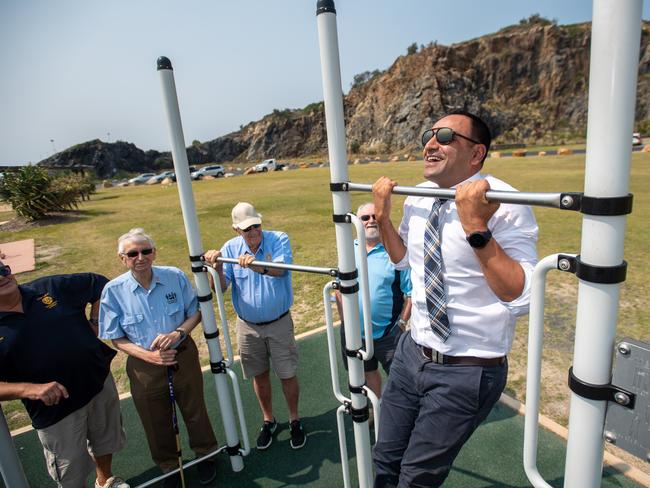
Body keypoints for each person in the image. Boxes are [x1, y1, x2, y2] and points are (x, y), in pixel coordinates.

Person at [371, 110, 538, 487]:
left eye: (445, 136)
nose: (431, 143)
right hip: (411, 352)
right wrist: (382, 217)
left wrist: (476, 227)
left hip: (468, 368)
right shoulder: (418, 196)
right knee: (384, 459)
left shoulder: (504, 201)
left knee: (417, 478)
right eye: (429, 135)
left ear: (477, 153)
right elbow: (403, 262)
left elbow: (522, 297)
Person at [98, 228, 218, 488]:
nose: (140, 257)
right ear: (122, 258)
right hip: (144, 366)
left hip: (182, 355)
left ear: (154, 253)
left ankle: (206, 454)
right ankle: (169, 468)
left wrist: (178, 332)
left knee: (195, 410)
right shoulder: (113, 291)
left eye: (146, 251)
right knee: (156, 420)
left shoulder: (174, 277)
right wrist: (149, 357)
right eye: (132, 253)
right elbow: (115, 337)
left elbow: (195, 312)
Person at [0, 261, 129, 488]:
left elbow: (99, 284)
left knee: (106, 442)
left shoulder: (50, 287)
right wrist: (29, 389)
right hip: (55, 409)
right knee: (70, 471)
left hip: (97, 383)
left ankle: (105, 481)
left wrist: (95, 322)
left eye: (3, 270)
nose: (2, 277)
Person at [204, 202, 306, 451]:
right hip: (248, 326)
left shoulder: (279, 239)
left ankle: (294, 420)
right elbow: (221, 287)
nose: (253, 232)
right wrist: (216, 267)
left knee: (287, 373)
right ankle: (268, 419)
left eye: (256, 226)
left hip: (279, 322)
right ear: (236, 230)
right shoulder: (230, 248)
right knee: (259, 374)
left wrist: (255, 265)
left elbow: (281, 271)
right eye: (247, 229)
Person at [335, 202, 412, 399]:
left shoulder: (394, 250)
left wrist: (402, 323)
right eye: (365, 218)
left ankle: (399, 417)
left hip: (388, 334)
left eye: (374, 216)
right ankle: (374, 411)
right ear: (357, 223)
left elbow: (411, 292)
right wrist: (346, 323)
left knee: (401, 378)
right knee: (368, 373)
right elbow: (338, 290)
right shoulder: (348, 250)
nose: (371, 221)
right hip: (355, 334)